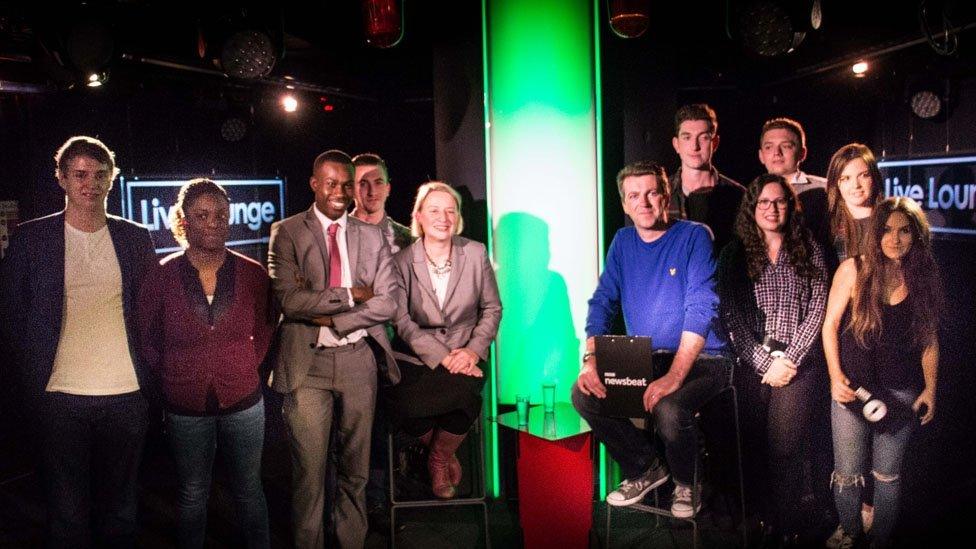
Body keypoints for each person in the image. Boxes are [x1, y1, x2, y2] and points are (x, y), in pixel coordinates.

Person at [0, 136, 156, 547]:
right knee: (67, 514)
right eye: (81, 175)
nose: (91, 183)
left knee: (122, 510)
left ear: (112, 180)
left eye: (100, 174)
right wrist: (34, 373)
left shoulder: (135, 237)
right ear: (62, 179)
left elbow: (151, 310)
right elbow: (11, 313)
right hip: (60, 395)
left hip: (127, 394)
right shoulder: (32, 238)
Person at [573, 160, 729, 518]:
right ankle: (646, 468)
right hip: (646, 354)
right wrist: (591, 358)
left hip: (706, 358)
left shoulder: (694, 235)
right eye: (633, 196)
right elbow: (602, 302)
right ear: (625, 204)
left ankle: (688, 483)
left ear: (666, 196)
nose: (643, 203)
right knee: (584, 395)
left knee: (669, 408)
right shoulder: (623, 241)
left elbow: (701, 307)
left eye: (651, 193)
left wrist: (674, 376)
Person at [267, 149, 399, 549]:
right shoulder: (287, 231)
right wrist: (350, 295)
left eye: (347, 184)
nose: (340, 192)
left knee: (356, 472)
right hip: (307, 364)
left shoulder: (374, 235)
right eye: (331, 183)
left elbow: (387, 302)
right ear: (314, 184)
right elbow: (290, 300)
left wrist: (332, 316)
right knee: (309, 474)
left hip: (359, 361)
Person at [137, 179, 274, 548]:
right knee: (193, 492)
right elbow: (147, 338)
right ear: (184, 222)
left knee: (248, 490)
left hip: (244, 402)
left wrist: (243, 366)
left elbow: (264, 330)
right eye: (202, 215)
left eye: (220, 215)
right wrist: (174, 375)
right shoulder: (161, 275)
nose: (213, 222)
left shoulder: (253, 274)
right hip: (184, 406)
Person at [822, 197, 942, 548]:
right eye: (887, 230)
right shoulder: (852, 269)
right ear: (875, 234)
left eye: (905, 230)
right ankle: (849, 529)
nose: (895, 239)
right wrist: (834, 376)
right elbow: (829, 326)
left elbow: (929, 341)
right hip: (852, 389)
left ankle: (881, 539)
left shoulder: (923, 276)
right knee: (847, 475)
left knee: (887, 476)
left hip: (900, 391)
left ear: (916, 235)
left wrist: (930, 389)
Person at [718, 174, 828, 544]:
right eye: (763, 202)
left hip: (799, 362)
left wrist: (790, 358)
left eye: (779, 201)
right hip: (753, 361)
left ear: (790, 206)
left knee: (786, 448)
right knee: (752, 445)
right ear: (752, 207)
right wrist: (765, 362)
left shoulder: (808, 246)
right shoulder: (734, 253)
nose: (771, 208)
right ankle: (759, 520)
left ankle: (786, 526)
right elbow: (730, 312)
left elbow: (818, 306)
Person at [387, 182, 502, 499]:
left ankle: (436, 460)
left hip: (468, 355)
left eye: (450, 210)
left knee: (465, 389)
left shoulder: (475, 253)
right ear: (419, 216)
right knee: (400, 400)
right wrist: (444, 357)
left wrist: (472, 351)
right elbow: (402, 321)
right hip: (416, 358)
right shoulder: (401, 263)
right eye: (434, 210)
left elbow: (492, 308)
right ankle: (445, 454)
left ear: (458, 217)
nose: (443, 217)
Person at [350, 152, 414, 526]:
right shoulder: (337, 237)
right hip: (358, 346)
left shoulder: (409, 240)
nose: (370, 189)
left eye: (377, 181)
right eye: (362, 182)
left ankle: (385, 491)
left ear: (388, 188)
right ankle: (370, 500)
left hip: (403, 348)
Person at [669, 103, 745, 254]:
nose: (695, 146)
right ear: (676, 144)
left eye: (703, 137)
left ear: (715, 143)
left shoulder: (739, 196)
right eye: (687, 137)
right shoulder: (660, 194)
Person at [758, 117, 830, 247]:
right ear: (761, 155)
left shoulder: (826, 189)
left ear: (802, 153)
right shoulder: (752, 195)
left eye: (786, 146)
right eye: (769, 147)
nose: (777, 153)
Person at [826, 143, 884, 263]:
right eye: (846, 178)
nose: (856, 185)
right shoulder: (828, 226)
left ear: (874, 177)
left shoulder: (891, 220)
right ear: (836, 183)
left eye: (864, 175)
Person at [351, 153, 414, 254]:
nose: (372, 192)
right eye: (363, 184)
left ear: (388, 188)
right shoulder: (335, 236)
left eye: (378, 182)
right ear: (351, 190)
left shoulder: (410, 242)